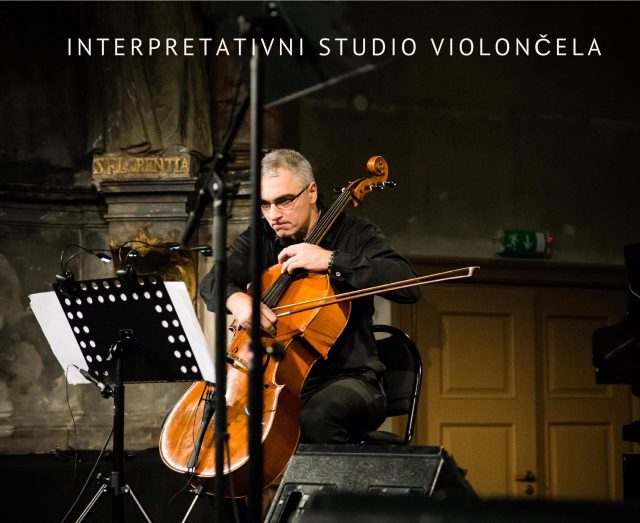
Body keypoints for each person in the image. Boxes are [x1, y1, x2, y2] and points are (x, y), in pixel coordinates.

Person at [199, 149, 420, 443]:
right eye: (264, 204)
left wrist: (330, 260)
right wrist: (237, 300)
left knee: (316, 416)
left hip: (349, 379)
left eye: (284, 201)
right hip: (279, 380)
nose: (274, 215)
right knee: (205, 421)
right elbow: (213, 282)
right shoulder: (261, 237)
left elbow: (408, 284)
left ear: (312, 192)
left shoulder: (355, 234)